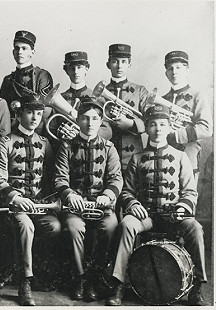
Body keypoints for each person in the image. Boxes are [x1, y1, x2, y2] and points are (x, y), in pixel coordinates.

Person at [105, 104, 206, 306]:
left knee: (195, 228)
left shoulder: (180, 157)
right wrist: (132, 204)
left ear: (169, 128)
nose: (158, 129)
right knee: (126, 225)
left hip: (174, 216)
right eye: (152, 125)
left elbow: (189, 191)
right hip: (147, 217)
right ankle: (118, 284)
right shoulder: (136, 158)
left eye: (162, 125)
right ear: (147, 128)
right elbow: (127, 191)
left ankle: (197, 286)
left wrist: (182, 208)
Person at [0, 96, 61, 306]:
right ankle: (25, 281)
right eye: (30, 112)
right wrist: (16, 197)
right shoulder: (6, 142)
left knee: (55, 227)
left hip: (39, 205)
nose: (34, 118)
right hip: (13, 205)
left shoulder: (44, 143)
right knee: (25, 226)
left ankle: (35, 270)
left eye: (39, 114)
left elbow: (49, 178)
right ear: (19, 114)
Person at [54, 97, 122, 301]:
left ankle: (95, 276)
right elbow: (60, 178)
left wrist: (107, 195)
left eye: (94, 118)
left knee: (110, 227)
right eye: (84, 118)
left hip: (102, 207)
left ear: (101, 121)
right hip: (76, 207)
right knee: (74, 229)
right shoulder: (66, 147)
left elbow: (116, 178)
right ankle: (80, 278)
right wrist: (70, 195)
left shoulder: (109, 148)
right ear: (78, 120)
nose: (90, 123)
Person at [161, 50, 213, 182]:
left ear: (187, 71)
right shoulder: (162, 99)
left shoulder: (198, 95)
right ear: (166, 73)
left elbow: (206, 129)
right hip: (164, 156)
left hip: (189, 155)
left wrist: (176, 134)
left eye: (178, 67)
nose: (174, 72)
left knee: (187, 196)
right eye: (170, 68)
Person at [104, 44, 149, 171]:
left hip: (134, 155)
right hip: (107, 154)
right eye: (115, 61)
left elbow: (151, 121)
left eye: (123, 62)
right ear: (108, 64)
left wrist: (130, 123)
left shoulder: (140, 91)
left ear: (129, 64)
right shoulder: (102, 93)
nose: (119, 66)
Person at [0, 30, 53, 132]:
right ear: (13, 52)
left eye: (24, 48)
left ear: (32, 53)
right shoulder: (8, 80)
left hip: (37, 130)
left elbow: (43, 107)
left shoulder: (42, 75)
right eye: (17, 48)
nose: (20, 52)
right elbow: (2, 109)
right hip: (12, 131)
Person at [60, 51, 112, 140]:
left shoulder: (98, 98)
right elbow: (52, 127)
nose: (76, 72)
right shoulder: (60, 98)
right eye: (72, 68)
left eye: (79, 67)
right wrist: (61, 132)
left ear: (87, 68)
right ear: (66, 70)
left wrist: (84, 131)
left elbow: (107, 132)